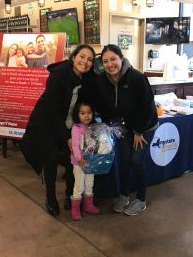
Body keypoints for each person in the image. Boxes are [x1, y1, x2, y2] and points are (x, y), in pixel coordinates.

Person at [20, 44, 96, 216]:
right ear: (74, 57)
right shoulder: (58, 75)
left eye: (89, 59)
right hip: (48, 122)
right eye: (82, 56)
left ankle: (70, 195)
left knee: (72, 160)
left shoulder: (86, 78)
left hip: (68, 122)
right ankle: (51, 197)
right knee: (51, 157)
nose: (85, 62)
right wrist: (66, 137)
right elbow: (52, 110)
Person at [91, 44, 158, 216]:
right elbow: (102, 107)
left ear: (121, 58)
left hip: (144, 126)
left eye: (113, 59)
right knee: (124, 160)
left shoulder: (136, 78)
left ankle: (141, 199)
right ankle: (123, 195)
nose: (109, 64)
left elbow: (148, 108)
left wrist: (139, 131)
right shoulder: (101, 80)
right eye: (105, 61)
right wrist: (111, 125)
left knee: (136, 160)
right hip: (122, 126)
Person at [70, 101, 101, 221]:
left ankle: (88, 205)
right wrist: (80, 158)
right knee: (79, 186)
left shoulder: (94, 127)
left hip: (90, 162)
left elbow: (95, 144)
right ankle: (75, 209)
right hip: (78, 163)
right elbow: (75, 146)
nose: (86, 116)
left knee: (89, 184)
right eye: (82, 113)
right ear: (77, 114)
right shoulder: (76, 128)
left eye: (89, 113)